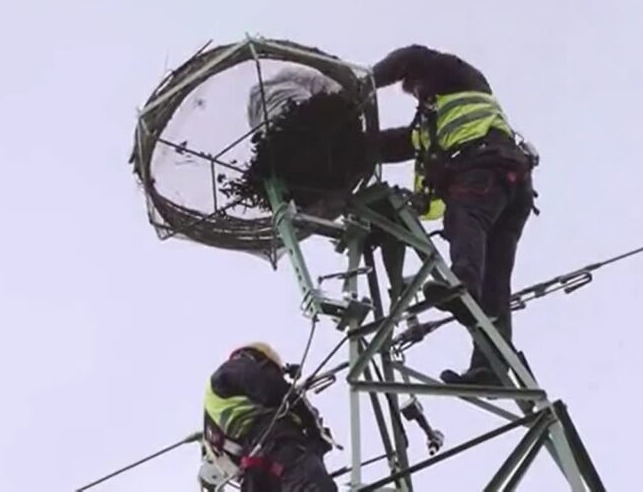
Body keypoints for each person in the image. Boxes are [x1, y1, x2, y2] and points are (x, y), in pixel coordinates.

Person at [369, 44, 538, 387]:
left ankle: (459, 285)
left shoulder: (459, 77)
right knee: (495, 282)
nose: (416, 95)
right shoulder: (429, 126)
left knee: (465, 221)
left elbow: (413, 55)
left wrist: (365, 83)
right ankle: (490, 368)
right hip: (512, 184)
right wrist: (350, 145)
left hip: (485, 169)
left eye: (414, 87)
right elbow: (392, 144)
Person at [202, 342, 337, 492]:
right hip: (279, 445)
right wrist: (314, 428)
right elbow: (275, 389)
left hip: (255, 469)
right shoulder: (235, 368)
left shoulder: (215, 424)